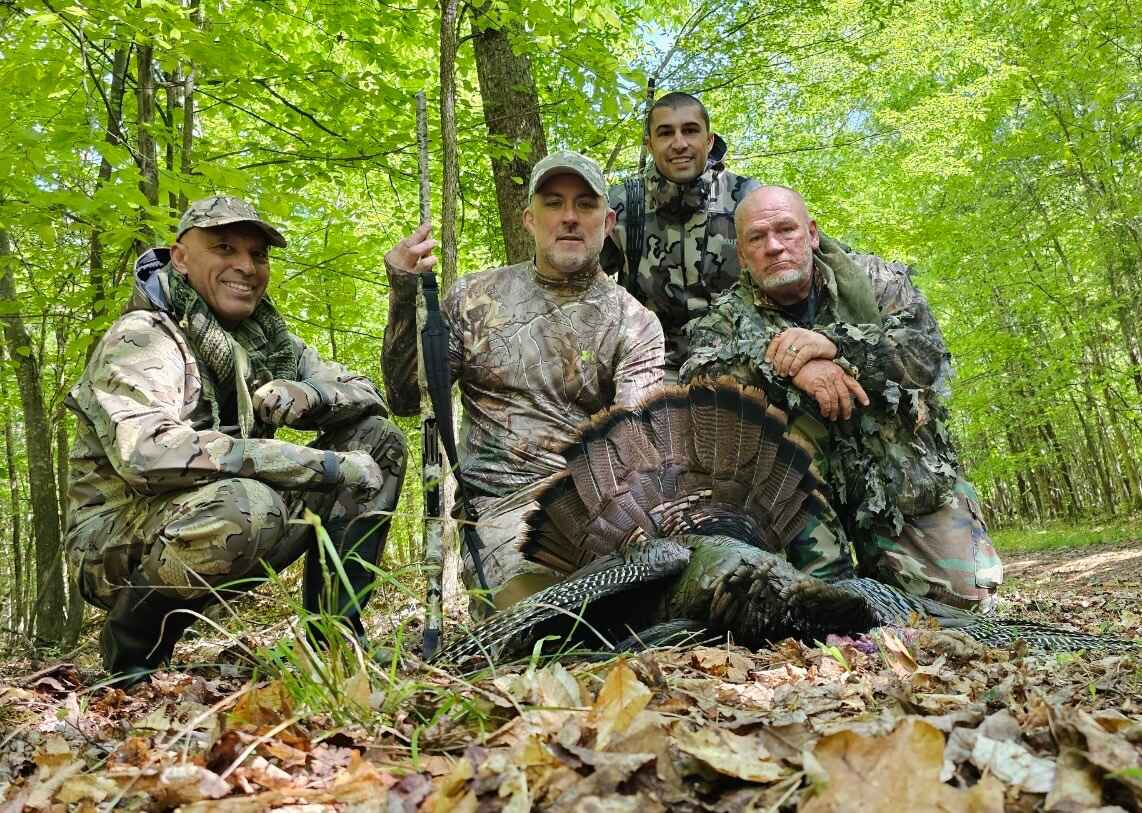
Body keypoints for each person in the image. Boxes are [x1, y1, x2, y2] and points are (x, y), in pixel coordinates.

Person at [65, 196, 407, 685]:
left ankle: (333, 642)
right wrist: (317, 464)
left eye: (258, 255)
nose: (246, 267)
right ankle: (133, 649)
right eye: (224, 248)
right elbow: (147, 454)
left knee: (377, 441)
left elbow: (367, 395)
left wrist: (308, 394)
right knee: (250, 502)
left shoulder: (268, 341)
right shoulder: (144, 337)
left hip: (230, 518)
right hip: (117, 543)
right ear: (181, 258)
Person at [682, 185, 1002, 610]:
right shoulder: (724, 317)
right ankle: (824, 568)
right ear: (742, 255)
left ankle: (887, 561)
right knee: (801, 612)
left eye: (786, 230)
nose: (774, 246)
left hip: (897, 476)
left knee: (961, 601)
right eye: (757, 238)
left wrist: (835, 347)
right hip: (798, 497)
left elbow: (926, 357)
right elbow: (700, 382)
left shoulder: (878, 282)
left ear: (812, 234)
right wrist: (789, 364)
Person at [383, 151, 664, 612]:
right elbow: (408, 398)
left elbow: (635, 449)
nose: (569, 217)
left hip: (601, 511)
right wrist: (403, 292)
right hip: (501, 510)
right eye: (554, 203)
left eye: (585, 204)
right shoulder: (473, 299)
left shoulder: (635, 322)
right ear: (530, 220)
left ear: (608, 222)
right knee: (544, 617)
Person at [600, 92, 760, 377]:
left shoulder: (747, 199)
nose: (679, 143)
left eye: (690, 130)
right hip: (646, 369)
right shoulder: (622, 204)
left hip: (740, 365)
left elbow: (804, 263)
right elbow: (576, 280)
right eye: (665, 133)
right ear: (650, 145)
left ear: (709, 141)